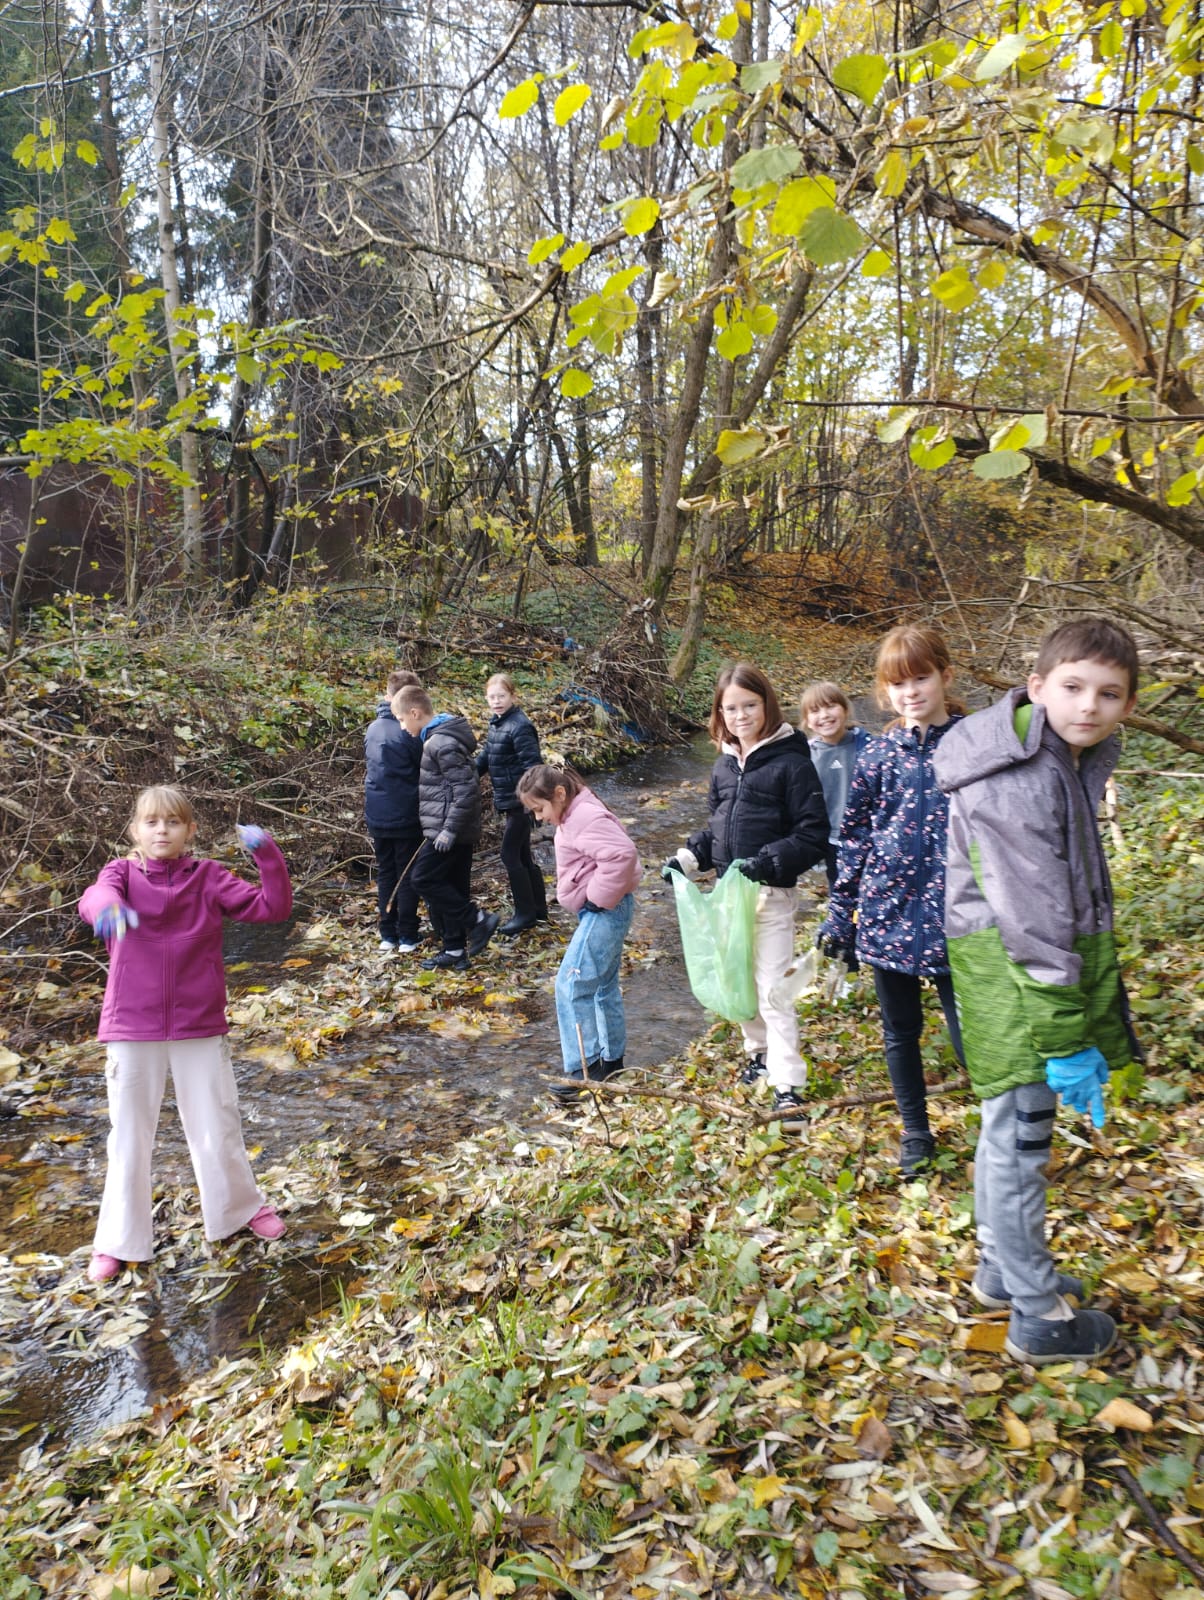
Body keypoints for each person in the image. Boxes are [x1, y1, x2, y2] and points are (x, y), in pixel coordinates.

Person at [934, 617, 1139, 1364]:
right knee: (1022, 1142)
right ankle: (1037, 1315)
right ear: (1037, 686)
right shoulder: (1022, 777)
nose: (1089, 705)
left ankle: (1001, 1270)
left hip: (1012, 976)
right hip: (1021, 982)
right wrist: (1066, 1037)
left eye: (1109, 693)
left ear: (1128, 703)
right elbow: (1036, 920)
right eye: (1074, 686)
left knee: (1003, 1133)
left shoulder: (1056, 756)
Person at [78, 786, 293, 1284]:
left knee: (216, 1124)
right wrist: (106, 909)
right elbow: (95, 897)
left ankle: (239, 1211)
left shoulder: (208, 876)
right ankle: (118, 1240)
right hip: (132, 1025)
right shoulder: (122, 875)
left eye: (172, 823)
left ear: (189, 830)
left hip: (198, 1021)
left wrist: (267, 855)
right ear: (135, 830)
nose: (161, 831)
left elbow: (271, 909)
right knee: (129, 1136)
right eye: (151, 822)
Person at [819, 625, 965, 1175]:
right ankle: (916, 1132)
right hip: (888, 912)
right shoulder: (878, 756)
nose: (910, 692)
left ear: (944, 677)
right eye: (897, 683)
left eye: (921, 678)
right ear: (884, 691)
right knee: (900, 1031)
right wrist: (841, 914)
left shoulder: (974, 745)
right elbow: (854, 837)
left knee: (968, 1033)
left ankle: (1004, 1114)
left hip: (959, 915)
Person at [663, 663, 828, 1132]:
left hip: (771, 894)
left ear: (767, 705)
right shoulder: (723, 765)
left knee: (773, 990)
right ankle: (758, 1054)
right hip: (727, 895)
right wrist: (687, 860)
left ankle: (788, 1087)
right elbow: (717, 827)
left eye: (749, 706)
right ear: (720, 711)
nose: (740, 716)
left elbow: (814, 834)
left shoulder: (792, 763)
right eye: (730, 708)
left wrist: (770, 861)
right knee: (739, 982)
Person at [517, 764, 642, 1101]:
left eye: (540, 809)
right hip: (608, 908)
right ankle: (611, 1062)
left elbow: (623, 854)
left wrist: (598, 898)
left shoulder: (583, 816)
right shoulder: (573, 812)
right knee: (602, 986)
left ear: (559, 794)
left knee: (570, 984)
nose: (539, 818)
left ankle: (582, 1070)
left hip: (605, 911)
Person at [392, 684, 499, 971]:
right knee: (453, 886)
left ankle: (478, 920)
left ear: (415, 713)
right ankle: (454, 950)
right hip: (451, 829)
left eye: (402, 720)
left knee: (423, 879)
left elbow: (466, 788)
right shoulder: (439, 738)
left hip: (448, 831)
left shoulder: (440, 743)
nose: (402, 728)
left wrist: (449, 829)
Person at [477, 673, 548, 935]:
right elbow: (488, 754)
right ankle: (538, 910)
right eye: (492, 697)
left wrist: (531, 801)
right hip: (509, 799)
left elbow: (533, 765)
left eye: (501, 696)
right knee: (522, 854)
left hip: (521, 802)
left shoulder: (519, 726)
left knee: (509, 854)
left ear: (512, 696)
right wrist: (471, 773)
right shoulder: (497, 723)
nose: (496, 701)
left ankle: (524, 914)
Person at [364, 667, 424, 953]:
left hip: (377, 813)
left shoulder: (373, 728)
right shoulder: (411, 732)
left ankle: (387, 934)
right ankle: (408, 935)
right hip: (406, 814)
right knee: (407, 873)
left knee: (386, 872)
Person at [800, 680, 870, 893]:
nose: (824, 715)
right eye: (815, 711)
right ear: (807, 721)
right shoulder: (805, 755)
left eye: (831, 706)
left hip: (867, 837)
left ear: (845, 709)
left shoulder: (868, 746)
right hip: (831, 840)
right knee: (840, 892)